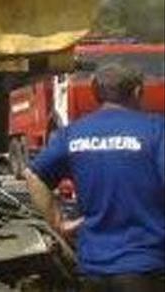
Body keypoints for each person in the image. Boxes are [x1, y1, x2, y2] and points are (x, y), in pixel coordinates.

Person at [25, 62, 165, 292]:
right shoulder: (156, 130)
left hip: (92, 269)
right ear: (138, 92)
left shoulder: (73, 134)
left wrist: (58, 223)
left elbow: (33, 175)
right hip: (146, 266)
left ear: (95, 93)